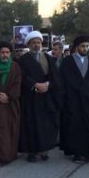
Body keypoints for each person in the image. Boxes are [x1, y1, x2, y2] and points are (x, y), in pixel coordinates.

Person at [18, 31, 62, 162]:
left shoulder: (48, 58)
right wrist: (35, 84)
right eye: (33, 43)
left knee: (45, 125)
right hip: (30, 98)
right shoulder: (23, 60)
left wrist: (47, 85)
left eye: (38, 43)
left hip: (45, 98)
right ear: (29, 44)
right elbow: (22, 77)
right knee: (31, 125)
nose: (36, 45)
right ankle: (32, 151)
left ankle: (44, 150)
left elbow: (55, 77)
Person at [60, 35, 89, 163]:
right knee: (75, 127)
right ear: (76, 47)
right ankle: (77, 153)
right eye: (82, 46)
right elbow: (64, 81)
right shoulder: (68, 61)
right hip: (73, 101)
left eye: (86, 46)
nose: (85, 49)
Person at [0, 41, 21, 167]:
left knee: (11, 130)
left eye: (7, 52)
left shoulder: (16, 67)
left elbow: (17, 84)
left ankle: (10, 155)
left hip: (11, 104)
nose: (5, 55)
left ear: (10, 53)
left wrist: (9, 96)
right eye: (2, 52)